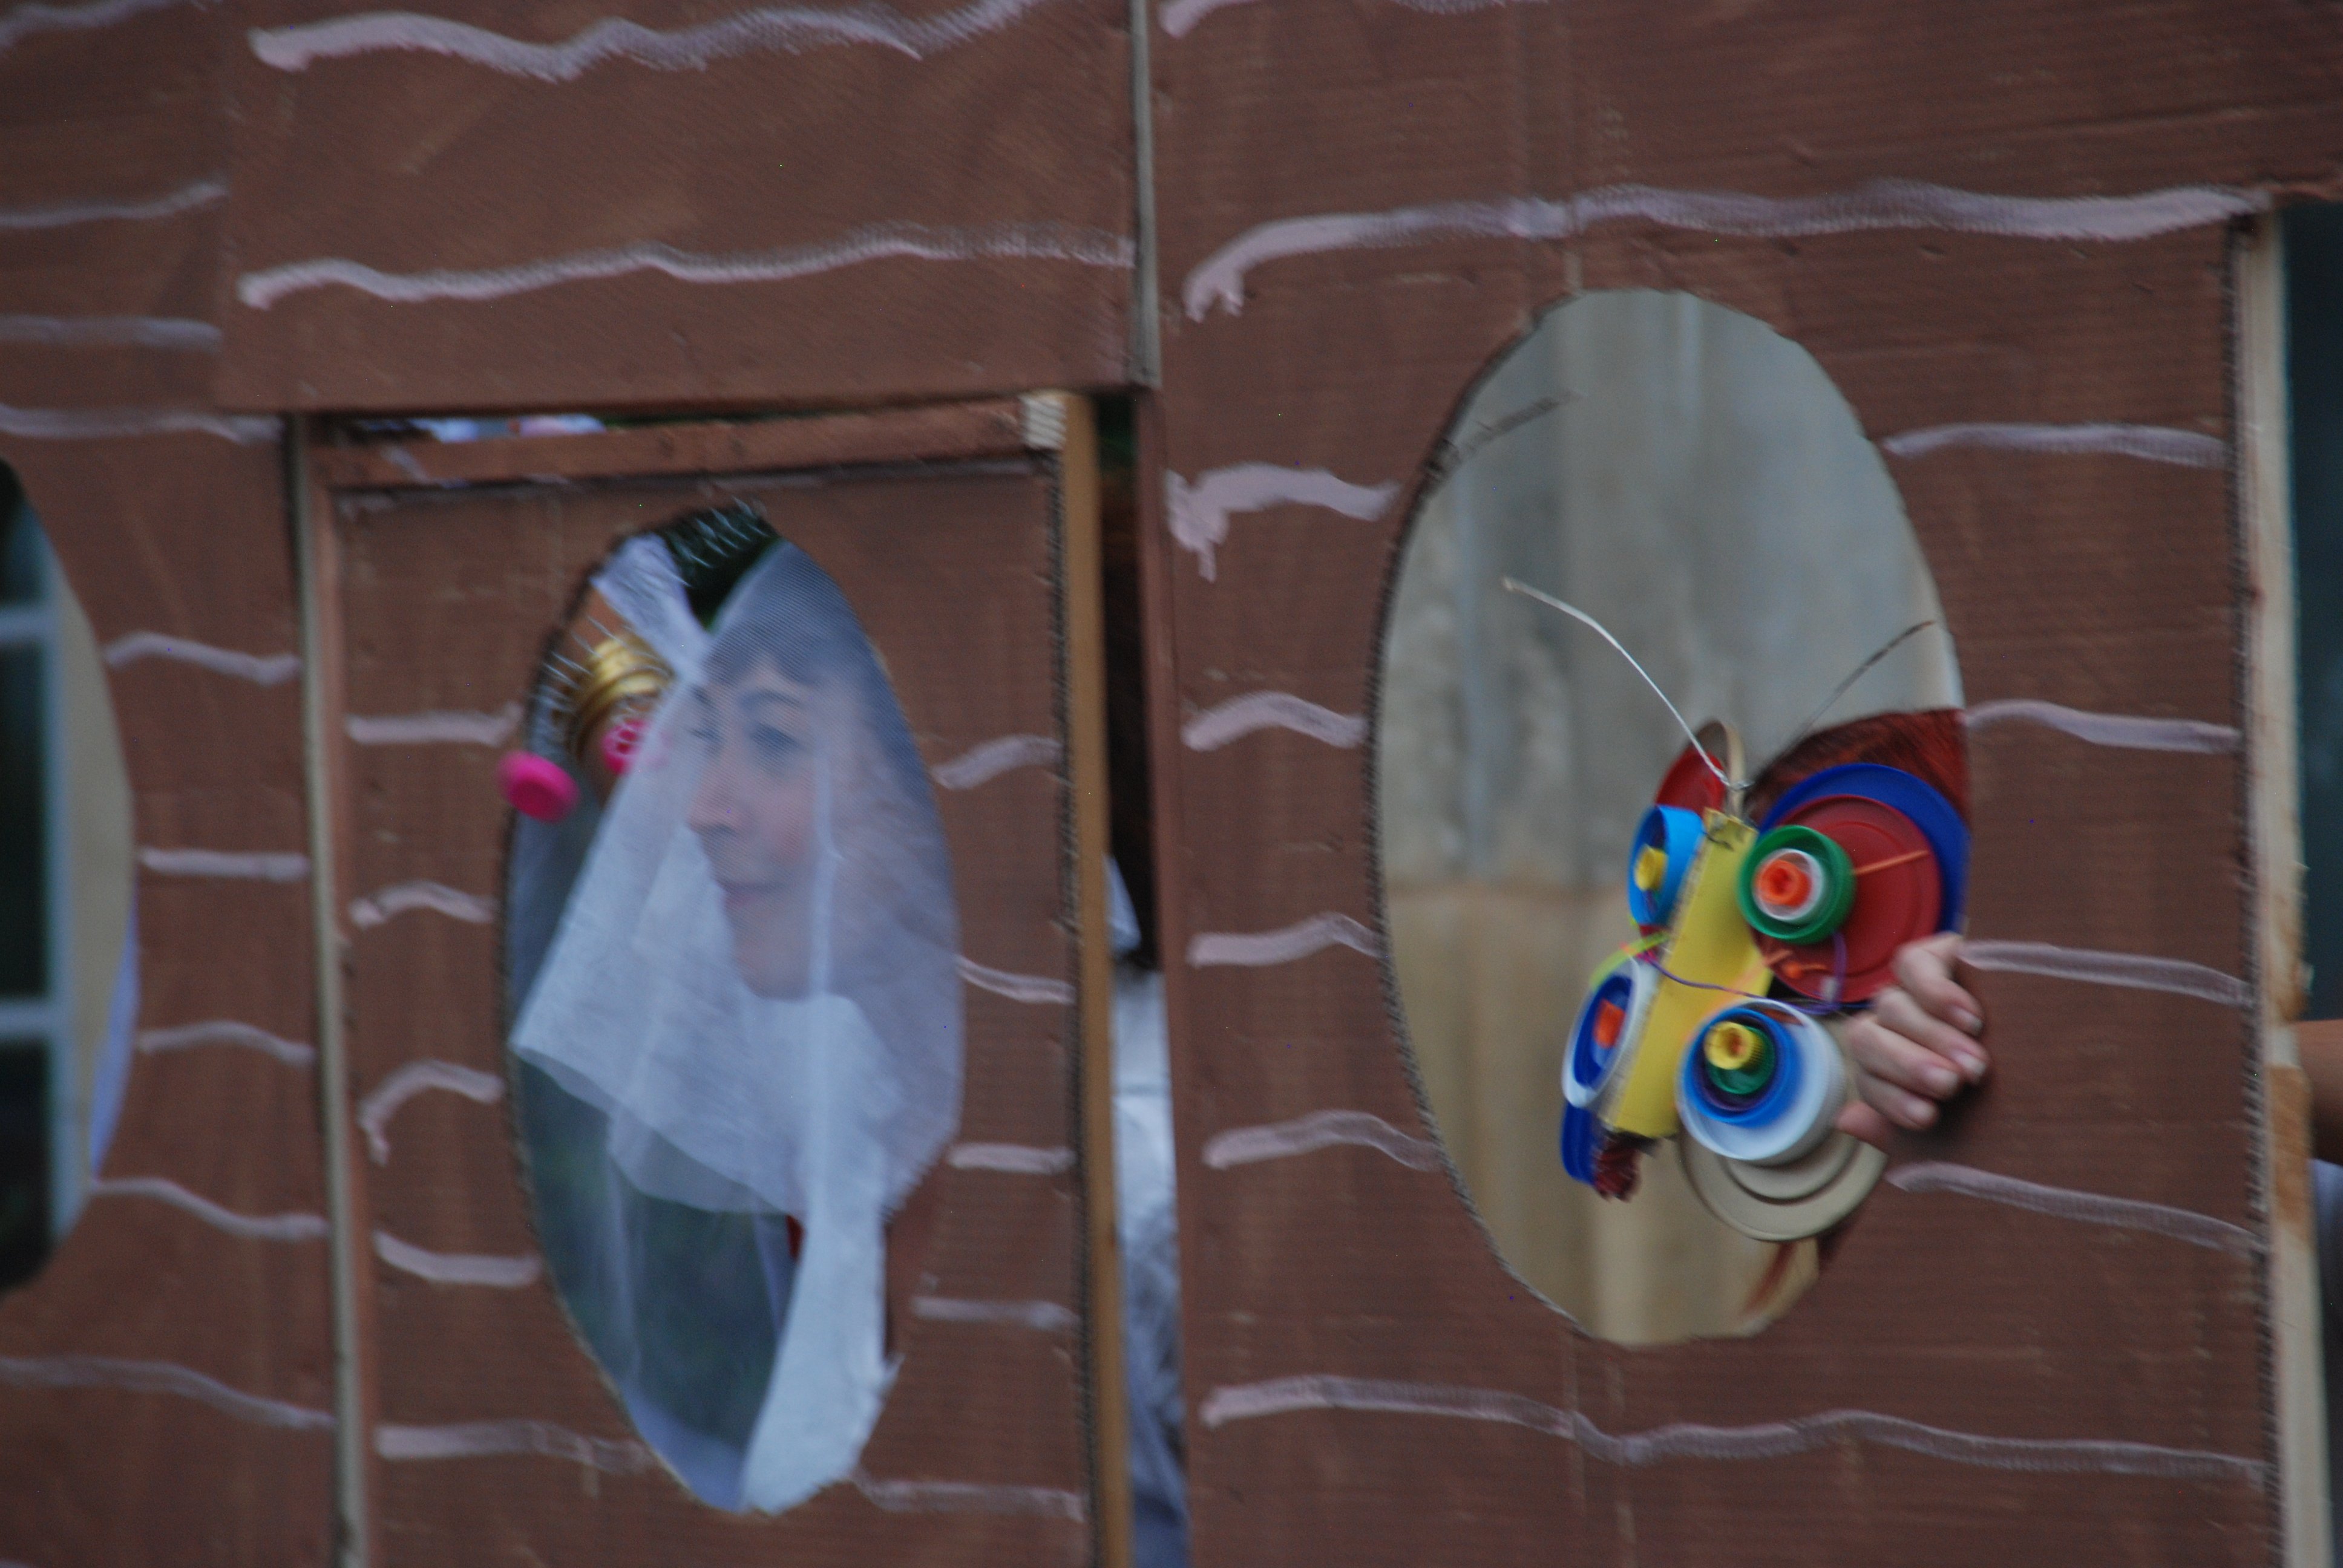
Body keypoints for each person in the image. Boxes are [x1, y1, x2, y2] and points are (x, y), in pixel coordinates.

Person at [510, 536, 959, 1514]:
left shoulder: (1143, 1178)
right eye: (709, 736)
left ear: (939, 781)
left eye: (778, 742)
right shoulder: (845, 1060)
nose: (704, 811)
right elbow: (631, 739)